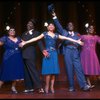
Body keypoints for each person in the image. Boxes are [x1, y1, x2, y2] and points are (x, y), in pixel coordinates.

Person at [19, 21, 83, 94]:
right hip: (47, 54)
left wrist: (76, 41)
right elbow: (35, 39)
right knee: (48, 72)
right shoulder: (45, 34)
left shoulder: (56, 35)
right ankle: (46, 86)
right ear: (47, 27)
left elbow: (66, 38)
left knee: (54, 72)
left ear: (54, 27)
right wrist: (25, 42)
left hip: (54, 54)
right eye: (50, 25)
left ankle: (52, 87)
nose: (51, 26)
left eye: (52, 25)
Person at [49, 9, 91, 92]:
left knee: (79, 69)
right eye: (69, 25)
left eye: (72, 24)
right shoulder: (64, 32)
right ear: (67, 27)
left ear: (74, 26)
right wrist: (54, 16)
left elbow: (83, 42)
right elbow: (58, 25)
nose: (71, 25)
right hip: (67, 51)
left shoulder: (77, 34)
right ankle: (71, 86)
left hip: (75, 52)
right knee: (69, 69)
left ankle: (84, 85)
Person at [21, 19, 48, 93]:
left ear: (33, 26)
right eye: (27, 23)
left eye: (30, 24)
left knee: (33, 71)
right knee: (26, 72)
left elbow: (39, 42)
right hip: (23, 54)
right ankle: (29, 87)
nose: (28, 24)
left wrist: (43, 50)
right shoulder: (24, 34)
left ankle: (39, 87)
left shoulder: (36, 33)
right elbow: (21, 43)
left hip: (30, 54)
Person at [0, 27, 24, 93]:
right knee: (5, 72)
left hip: (17, 57)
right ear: (8, 32)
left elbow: (24, 42)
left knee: (15, 73)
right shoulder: (5, 38)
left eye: (14, 30)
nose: (12, 31)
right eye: (11, 30)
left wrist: (22, 44)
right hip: (8, 57)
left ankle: (13, 87)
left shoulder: (18, 38)